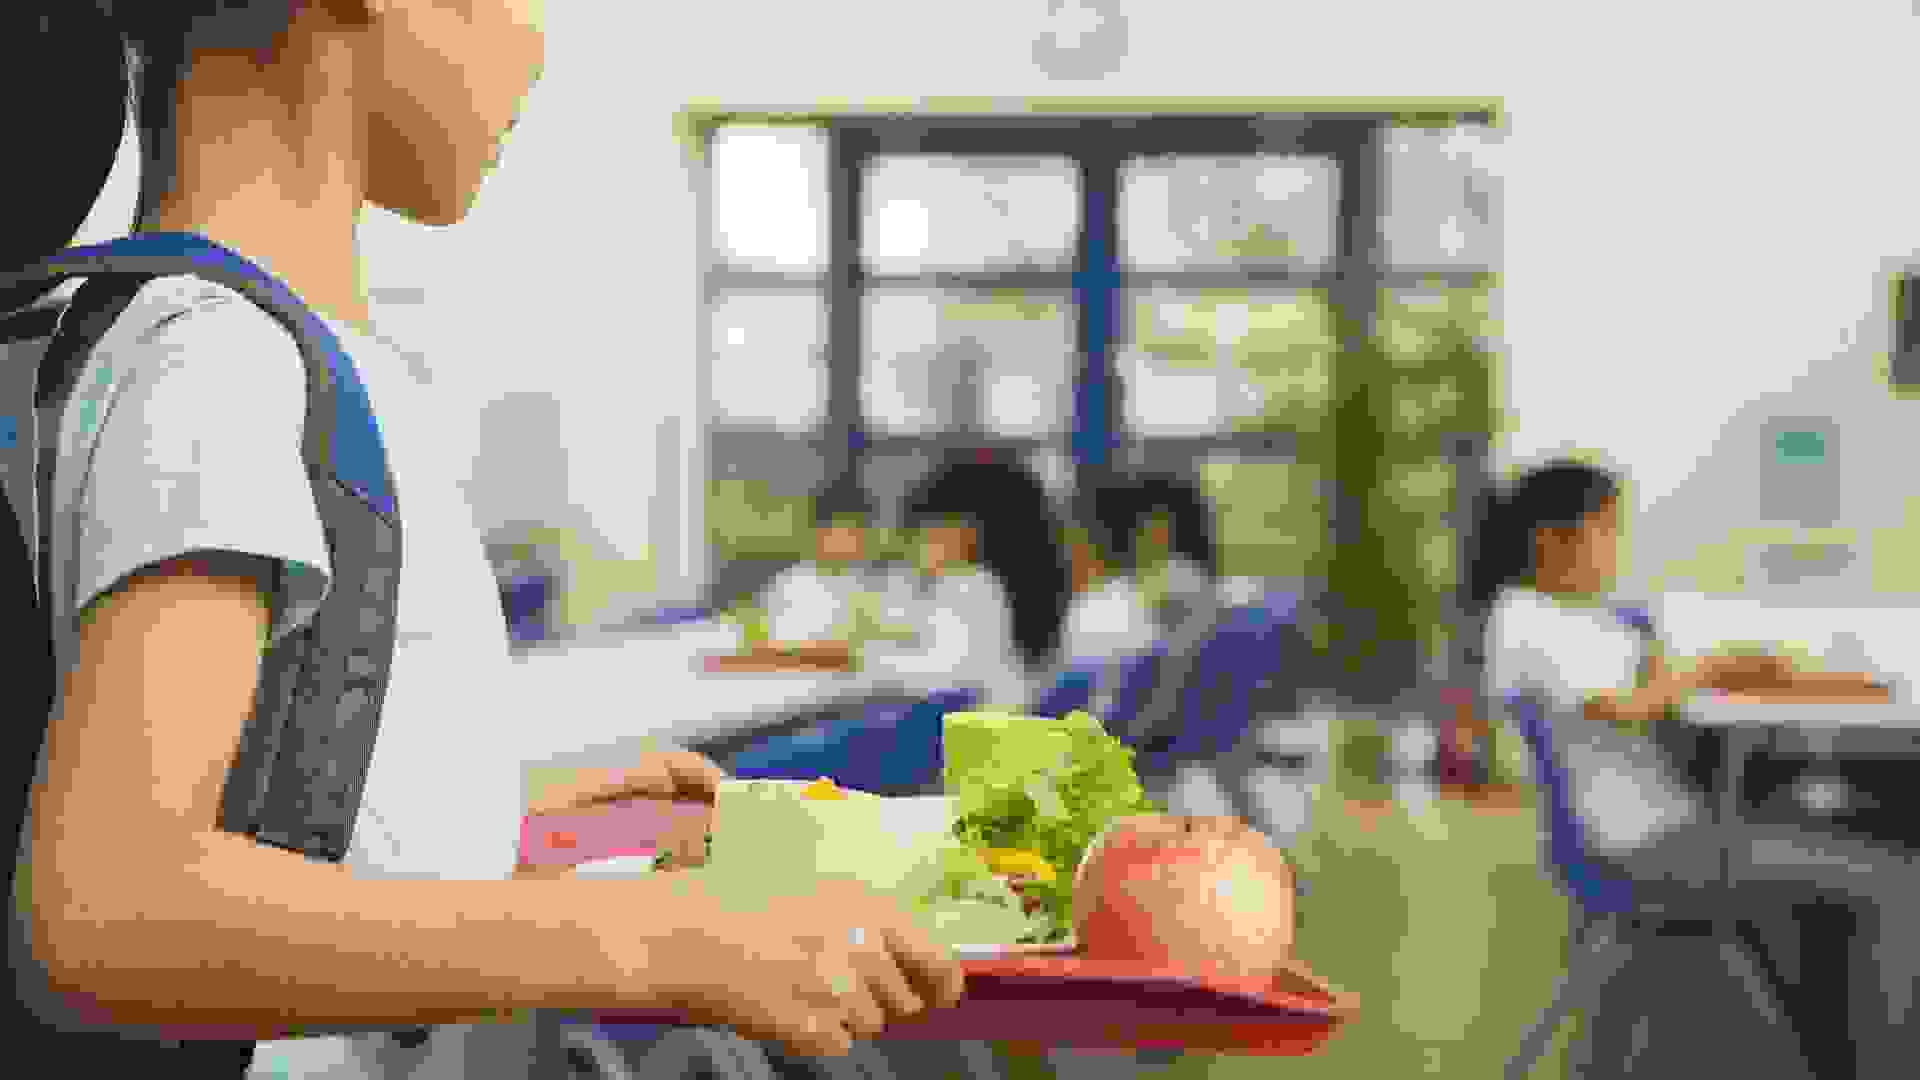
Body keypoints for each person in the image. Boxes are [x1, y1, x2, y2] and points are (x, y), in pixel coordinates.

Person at [4, 5, 962, 1077]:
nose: (537, 43)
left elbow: (243, 815)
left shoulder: (241, 342)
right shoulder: (218, 361)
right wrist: (661, 942)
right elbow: (110, 908)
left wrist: (480, 824)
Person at [1468, 458, 1920, 1076]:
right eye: (1608, 531)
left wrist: (1744, 668)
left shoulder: (1576, 619)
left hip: (1669, 833)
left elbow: (1659, 680)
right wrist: (1703, 672)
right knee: (1890, 882)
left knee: (1833, 861)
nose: (1615, 549)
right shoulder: (1527, 620)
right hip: (1645, 846)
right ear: (1553, 539)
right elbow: (1628, 707)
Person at [877, 457, 1071, 710]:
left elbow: (945, 676)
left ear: (966, 532)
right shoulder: (1005, 586)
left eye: (926, 534)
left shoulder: (970, 586)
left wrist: (874, 662)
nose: (919, 549)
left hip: (994, 730)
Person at [747, 484, 880, 668]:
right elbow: (778, 652)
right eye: (845, 531)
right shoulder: (791, 585)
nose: (855, 540)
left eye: (859, 531)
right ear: (819, 534)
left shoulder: (863, 582)